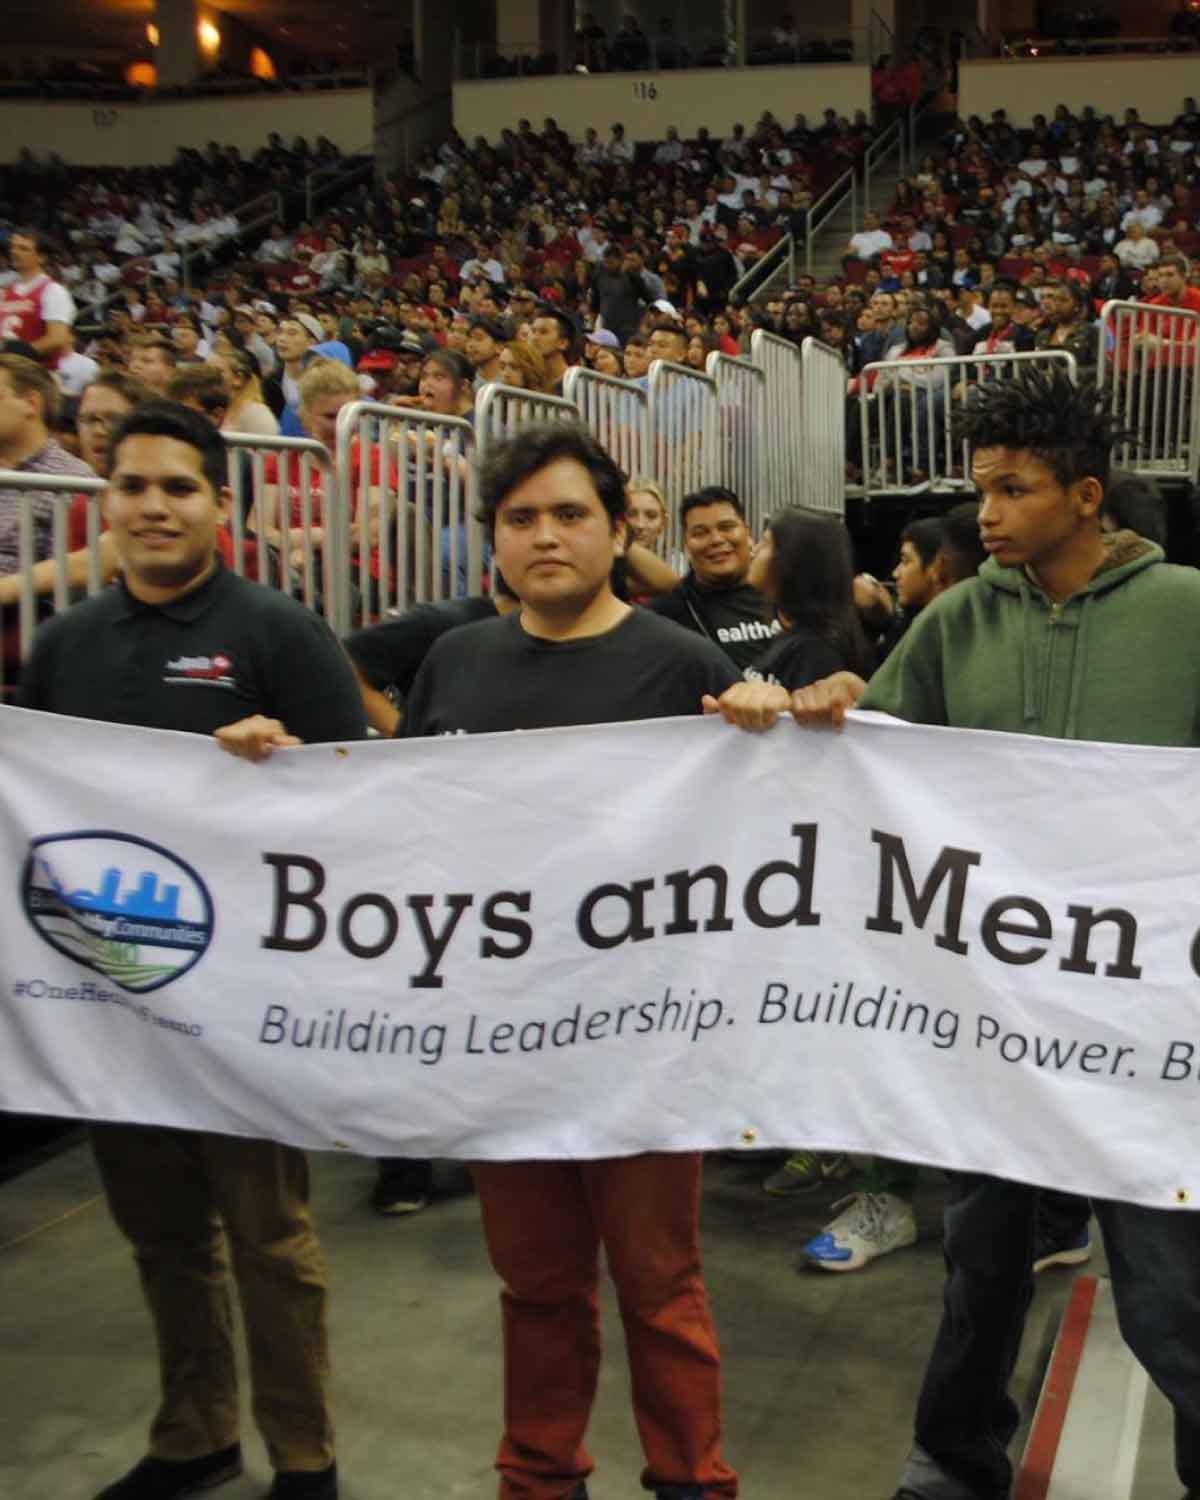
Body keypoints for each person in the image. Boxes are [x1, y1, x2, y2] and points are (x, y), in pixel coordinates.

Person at [710, 367, 1200, 1500]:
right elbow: (879, 760)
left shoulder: (1184, 613)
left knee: (1171, 1286)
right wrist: (810, 710)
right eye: (979, 488)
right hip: (989, 1015)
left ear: (1088, 496)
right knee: (981, 1260)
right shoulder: (956, 617)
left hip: (1143, 1020)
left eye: (1013, 488)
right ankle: (955, 1454)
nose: (985, 513)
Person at [20, 400, 364, 1500]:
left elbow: (366, 804)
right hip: (113, 1003)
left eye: (179, 488)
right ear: (103, 504)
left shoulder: (277, 634)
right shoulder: (65, 648)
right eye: (133, 487)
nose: (154, 507)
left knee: (270, 1241)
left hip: (244, 1000)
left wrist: (283, 764)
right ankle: (194, 1435)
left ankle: (304, 1458)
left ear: (223, 502)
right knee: (162, 1239)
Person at [401, 422, 739, 1500]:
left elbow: (754, 846)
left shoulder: (683, 664)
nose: (545, 536)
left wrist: (780, 723)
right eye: (520, 518)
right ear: (492, 537)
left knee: (660, 1283)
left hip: (641, 1045)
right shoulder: (455, 662)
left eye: (569, 514)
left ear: (614, 527)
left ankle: (690, 1478)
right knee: (536, 1285)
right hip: (503, 1037)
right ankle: (540, 1475)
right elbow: (388, 824)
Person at [646, 486, 780, 671]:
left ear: (747, 533)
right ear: (686, 545)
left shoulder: (787, 596)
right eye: (700, 533)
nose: (716, 539)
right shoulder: (665, 614)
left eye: (726, 527)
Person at [0, 227, 76, 368]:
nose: (14, 252)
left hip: (35, 374)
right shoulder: (5, 292)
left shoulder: (54, 291)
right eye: (13, 247)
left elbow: (57, 339)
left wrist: (15, 356)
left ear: (41, 257)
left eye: (23, 249)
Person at [211, 348, 279, 436]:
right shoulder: (219, 410)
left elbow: (268, 447)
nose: (208, 375)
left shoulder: (256, 412)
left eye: (217, 371)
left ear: (238, 378)